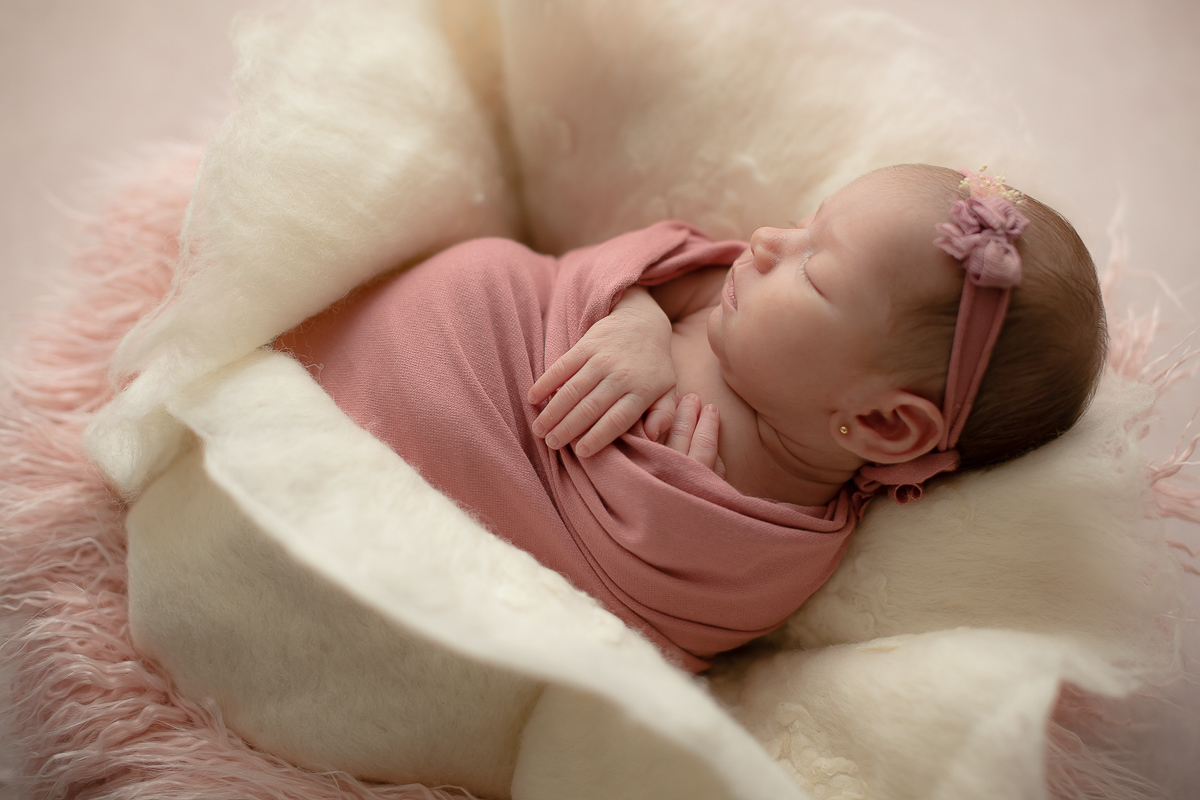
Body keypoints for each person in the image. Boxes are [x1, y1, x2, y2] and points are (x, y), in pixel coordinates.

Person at [277, 163, 1106, 671]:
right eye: (807, 221)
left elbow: (642, 630)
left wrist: (663, 501)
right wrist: (634, 318)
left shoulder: (781, 542)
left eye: (816, 274)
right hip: (469, 331)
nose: (769, 241)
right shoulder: (729, 299)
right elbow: (655, 261)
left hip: (449, 475)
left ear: (886, 426)